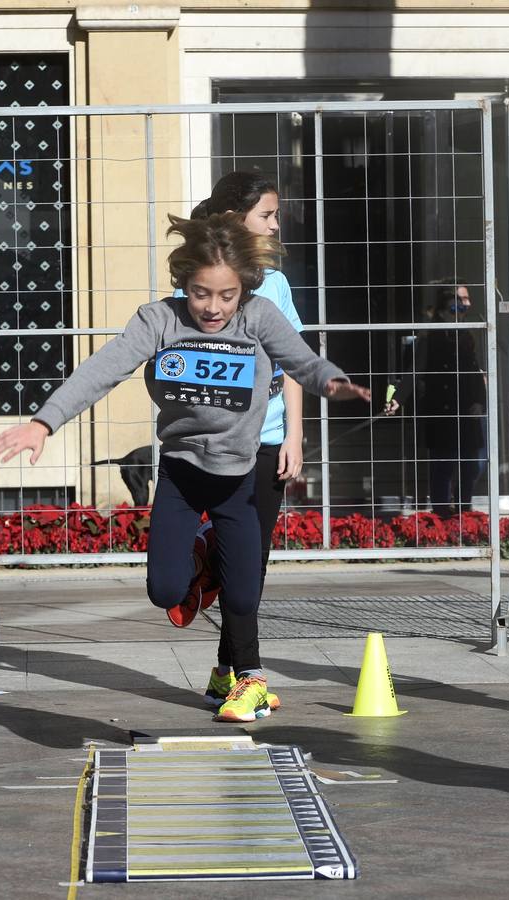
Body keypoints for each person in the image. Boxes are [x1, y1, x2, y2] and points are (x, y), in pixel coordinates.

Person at [0, 213, 370, 722]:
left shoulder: (258, 317)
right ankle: (198, 548)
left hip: (239, 478)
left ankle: (234, 631)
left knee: (242, 593)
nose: (213, 308)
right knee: (165, 594)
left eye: (226, 296)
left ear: (244, 289)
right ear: (183, 283)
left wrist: (333, 382)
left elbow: (302, 361)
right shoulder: (160, 320)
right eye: (200, 293)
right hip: (181, 476)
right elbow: (103, 369)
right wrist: (44, 422)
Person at [178, 172, 303, 720]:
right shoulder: (204, 285)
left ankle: (226, 674)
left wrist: (295, 433)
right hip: (226, 441)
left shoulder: (274, 282)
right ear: (234, 219)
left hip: (269, 440)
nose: (276, 225)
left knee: (253, 561)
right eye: (266, 215)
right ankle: (249, 677)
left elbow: (295, 360)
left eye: (275, 215)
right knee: (243, 561)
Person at [384, 279, 487, 514]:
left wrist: (479, 402)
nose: (460, 313)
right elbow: (414, 371)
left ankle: (464, 512)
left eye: (462, 309)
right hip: (441, 412)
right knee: (443, 466)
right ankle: (441, 514)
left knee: (472, 466)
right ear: (442, 311)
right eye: (454, 309)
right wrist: (398, 399)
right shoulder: (430, 339)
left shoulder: (469, 336)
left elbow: (476, 371)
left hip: (468, 410)